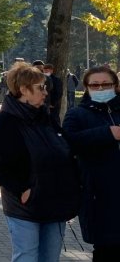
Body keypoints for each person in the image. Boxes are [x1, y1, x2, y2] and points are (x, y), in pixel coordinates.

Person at [0, 62, 80, 262]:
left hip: (54, 202)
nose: (46, 93)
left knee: (50, 257)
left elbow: (64, 148)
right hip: (25, 206)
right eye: (40, 88)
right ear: (23, 90)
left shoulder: (46, 116)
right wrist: (22, 189)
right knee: (27, 257)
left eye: (46, 87)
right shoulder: (6, 121)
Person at [63, 66, 120, 261]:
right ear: (86, 87)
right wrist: (108, 133)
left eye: (106, 84)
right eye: (95, 85)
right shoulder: (77, 114)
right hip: (99, 194)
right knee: (107, 248)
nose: (101, 88)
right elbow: (69, 142)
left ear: (115, 85)